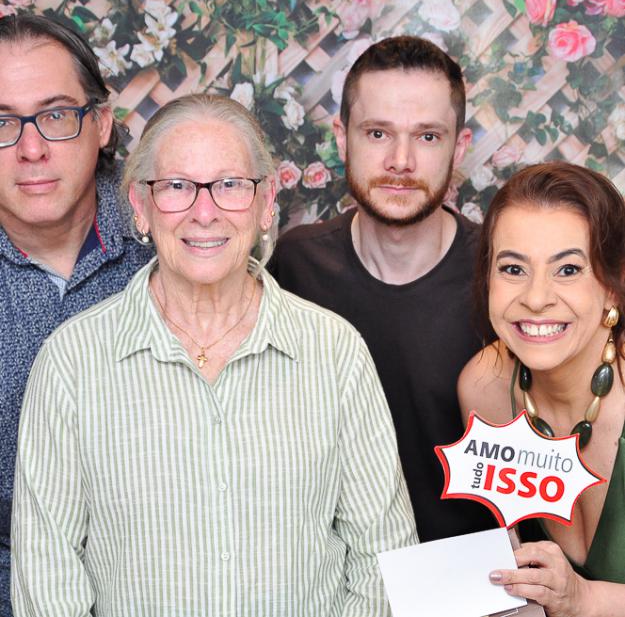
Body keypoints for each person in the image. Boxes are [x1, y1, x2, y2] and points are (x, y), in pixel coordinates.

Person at [11, 94, 417, 616]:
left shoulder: (335, 353)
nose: (204, 213)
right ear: (140, 205)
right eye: (177, 186)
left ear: (266, 201)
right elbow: (48, 576)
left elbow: (382, 558)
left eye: (229, 185)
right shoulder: (72, 362)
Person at [270, 35, 496, 541]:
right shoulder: (295, 265)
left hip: (471, 572)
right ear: (342, 138)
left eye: (428, 136)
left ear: (459, 147)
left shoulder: (502, 274)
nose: (401, 160)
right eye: (377, 133)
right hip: (336, 569)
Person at [0, 15, 154, 615]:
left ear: (102, 123)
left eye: (57, 115)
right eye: (2, 123)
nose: (31, 149)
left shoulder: (177, 240)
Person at [458, 162, 625, 616]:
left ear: (614, 286)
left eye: (567, 269)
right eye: (513, 268)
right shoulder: (486, 388)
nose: (535, 298)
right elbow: (522, 583)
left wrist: (585, 599)